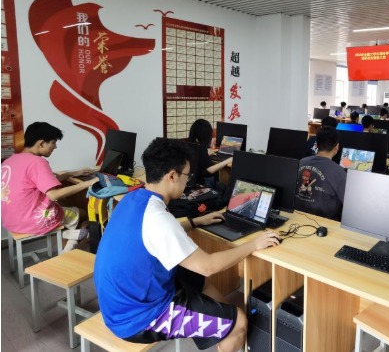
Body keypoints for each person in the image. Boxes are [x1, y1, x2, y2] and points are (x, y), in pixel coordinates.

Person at [94, 138, 280, 351]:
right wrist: (254, 245)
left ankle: (221, 319)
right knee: (239, 322)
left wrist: (195, 222)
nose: (188, 182)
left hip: (121, 300)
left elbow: (154, 236)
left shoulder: (133, 198)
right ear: (172, 176)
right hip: (139, 318)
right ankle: (230, 326)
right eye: (187, 176)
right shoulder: (157, 217)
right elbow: (208, 266)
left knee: (196, 279)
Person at [1, 122, 97, 252]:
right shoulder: (37, 162)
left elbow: (43, 180)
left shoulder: (11, 160)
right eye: (53, 142)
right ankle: (68, 246)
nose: (55, 147)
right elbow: (53, 195)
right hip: (32, 221)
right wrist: (88, 183)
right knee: (83, 213)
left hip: (10, 219)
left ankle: (70, 234)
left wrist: (71, 174)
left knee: (63, 204)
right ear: (41, 143)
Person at [294, 127, 346, 220]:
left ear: (317, 145)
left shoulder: (301, 162)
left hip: (297, 217)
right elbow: (347, 202)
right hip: (324, 223)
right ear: (337, 147)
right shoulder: (339, 172)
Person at [187, 119, 233, 188]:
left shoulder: (190, 144)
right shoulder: (201, 148)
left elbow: (198, 157)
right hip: (204, 182)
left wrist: (207, 152)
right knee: (225, 187)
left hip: (193, 181)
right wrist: (227, 161)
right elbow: (211, 170)